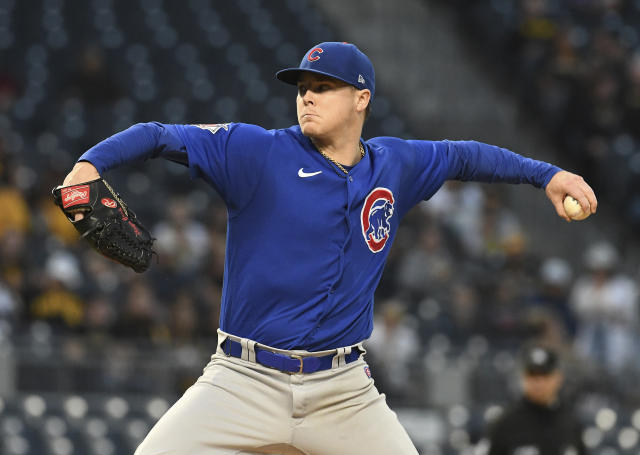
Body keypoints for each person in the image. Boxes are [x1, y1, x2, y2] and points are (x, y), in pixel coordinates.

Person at [60, 42, 597, 454]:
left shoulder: (394, 164)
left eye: (324, 85)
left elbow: (465, 155)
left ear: (361, 99)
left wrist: (545, 175)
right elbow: (158, 134)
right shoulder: (255, 152)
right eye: (302, 87)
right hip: (244, 377)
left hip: (343, 389)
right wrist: (89, 165)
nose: (307, 95)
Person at [482, 344, 587, 455]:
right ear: (523, 377)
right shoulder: (504, 424)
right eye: (532, 375)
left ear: (558, 377)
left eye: (545, 375)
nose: (539, 383)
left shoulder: (571, 423)